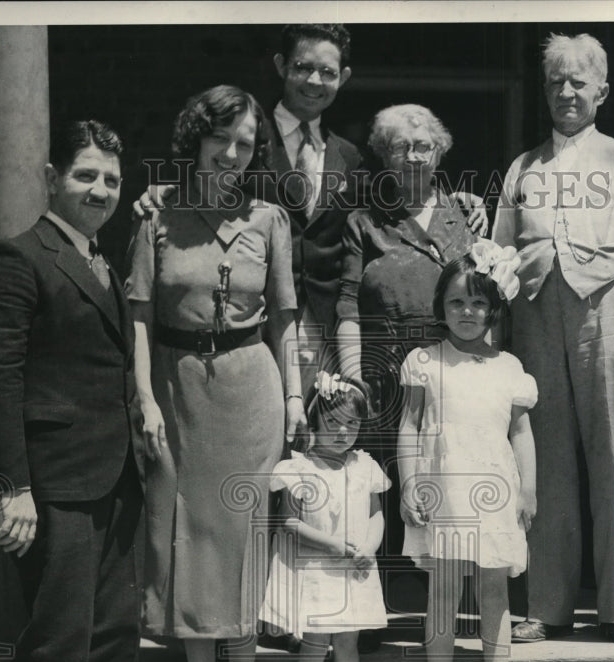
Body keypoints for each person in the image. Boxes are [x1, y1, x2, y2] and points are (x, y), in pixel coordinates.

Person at [135, 24, 488, 398]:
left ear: (344, 77)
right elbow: (210, 173)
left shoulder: (350, 156)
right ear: (281, 65)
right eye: (303, 67)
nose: (314, 80)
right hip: (251, 321)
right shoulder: (248, 139)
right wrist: (169, 189)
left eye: (328, 72)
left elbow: (400, 190)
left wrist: (457, 198)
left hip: (324, 325)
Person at [126, 85, 305, 662]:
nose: (231, 153)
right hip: (178, 395)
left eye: (244, 143)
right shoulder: (156, 218)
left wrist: (293, 401)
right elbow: (139, 317)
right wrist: (144, 399)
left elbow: (286, 321)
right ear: (196, 138)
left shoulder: (269, 220)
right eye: (220, 138)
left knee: (243, 538)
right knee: (192, 541)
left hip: (251, 391)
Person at [492, 33, 614, 646]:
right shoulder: (522, 168)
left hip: (613, 311)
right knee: (544, 459)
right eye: (555, 82)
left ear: (601, 91)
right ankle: (547, 607)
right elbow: (498, 255)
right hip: (539, 316)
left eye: (578, 82)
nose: (566, 92)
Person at [0, 120, 142, 662]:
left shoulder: (103, 261)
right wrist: (13, 485)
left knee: (111, 640)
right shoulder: (18, 258)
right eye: (86, 175)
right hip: (55, 485)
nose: (100, 190)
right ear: (52, 178)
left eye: (112, 180)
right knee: (59, 643)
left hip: (116, 479)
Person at [398, 240, 536, 662]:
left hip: (496, 491)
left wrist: (529, 491)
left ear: (494, 307)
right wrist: (410, 481)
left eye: (478, 302)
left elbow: (521, 434)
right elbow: (410, 425)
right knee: (444, 594)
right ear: (441, 307)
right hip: (445, 491)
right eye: (456, 302)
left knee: (495, 593)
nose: (467, 312)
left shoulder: (509, 368)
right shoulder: (426, 361)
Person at [336, 105, 479, 592]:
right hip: (382, 372)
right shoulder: (365, 221)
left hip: (449, 371)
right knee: (380, 485)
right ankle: (375, 607)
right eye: (402, 147)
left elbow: (489, 298)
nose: (414, 156)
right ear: (384, 157)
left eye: (423, 147)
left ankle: (444, 607)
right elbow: (348, 304)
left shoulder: (465, 215)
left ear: (439, 154)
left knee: (446, 475)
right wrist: (353, 376)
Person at [260, 380, 388, 662]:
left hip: (355, 570)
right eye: (333, 423)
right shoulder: (300, 468)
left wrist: (369, 547)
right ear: (314, 424)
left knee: (348, 644)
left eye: (352, 424)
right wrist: (335, 545)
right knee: (315, 644)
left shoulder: (365, 466)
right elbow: (290, 522)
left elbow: (376, 516)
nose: (343, 432)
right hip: (317, 571)